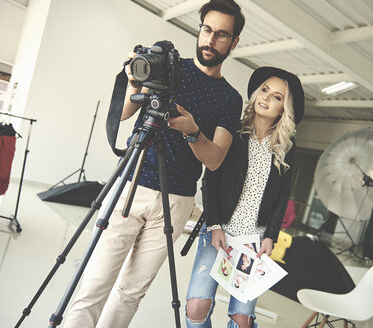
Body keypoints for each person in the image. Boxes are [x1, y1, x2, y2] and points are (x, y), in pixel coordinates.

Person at [62, 1, 245, 327]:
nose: (210, 40)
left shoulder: (231, 98)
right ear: (199, 29)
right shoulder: (169, 69)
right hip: (131, 182)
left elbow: (215, 159)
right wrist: (133, 82)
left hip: (177, 201)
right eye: (206, 30)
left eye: (221, 35)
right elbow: (121, 115)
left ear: (233, 43)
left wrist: (193, 132)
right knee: (95, 281)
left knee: (131, 291)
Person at [185, 66, 305, 328]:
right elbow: (210, 180)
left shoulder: (286, 148)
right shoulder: (232, 132)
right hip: (218, 232)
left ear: (284, 109)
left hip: (254, 241)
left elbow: (282, 196)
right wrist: (215, 226)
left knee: (242, 320)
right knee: (196, 308)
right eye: (264, 90)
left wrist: (271, 236)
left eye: (277, 97)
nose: (266, 97)